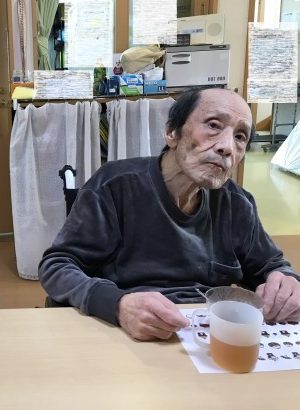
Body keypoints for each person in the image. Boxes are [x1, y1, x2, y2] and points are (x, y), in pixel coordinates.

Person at [38, 87, 300, 341]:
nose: (227, 147)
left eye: (240, 137)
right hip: (126, 333)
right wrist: (117, 304)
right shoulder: (115, 186)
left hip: (204, 334)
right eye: (213, 125)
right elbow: (57, 265)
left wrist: (287, 283)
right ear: (172, 132)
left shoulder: (237, 204)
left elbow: (271, 266)